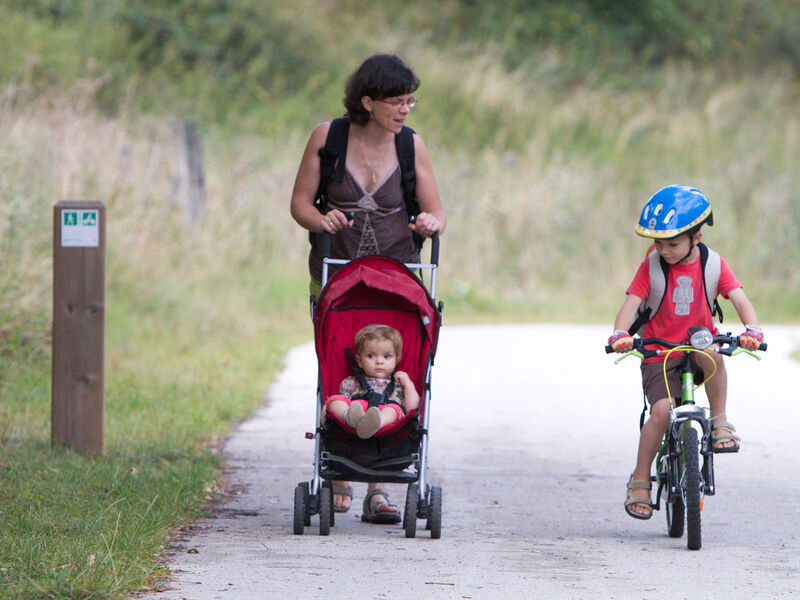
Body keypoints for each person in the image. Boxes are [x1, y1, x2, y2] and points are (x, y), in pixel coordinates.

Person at [290, 54, 445, 520]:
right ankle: (338, 470)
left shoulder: (410, 146)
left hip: (397, 283)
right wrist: (322, 218)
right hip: (337, 276)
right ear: (367, 102)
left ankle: (380, 486)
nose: (405, 109)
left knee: (389, 369)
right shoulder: (328, 138)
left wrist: (430, 220)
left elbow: (436, 210)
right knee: (339, 361)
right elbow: (299, 204)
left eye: (409, 101)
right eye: (396, 101)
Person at [608, 185, 764, 520]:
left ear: (696, 236)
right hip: (658, 354)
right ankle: (639, 479)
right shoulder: (651, 266)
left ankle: (720, 421)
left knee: (716, 355)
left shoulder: (713, 265)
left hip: (698, 345)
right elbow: (631, 303)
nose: (663, 250)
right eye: (658, 243)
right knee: (662, 412)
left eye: (672, 243)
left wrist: (751, 331)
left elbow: (738, 298)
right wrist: (621, 334)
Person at [323, 324, 420, 439]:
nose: (379, 361)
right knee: (335, 400)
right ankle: (350, 417)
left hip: (386, 421)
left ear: (397, 359)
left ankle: (374, 424)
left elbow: (413, 409)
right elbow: (337, 404)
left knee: (394, 410)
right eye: (371, 356)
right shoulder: (351, 382)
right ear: (359, 361)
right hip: (355, 415)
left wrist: (408, 384)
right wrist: (325, 411)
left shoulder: (399, 384)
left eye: (386, 356)